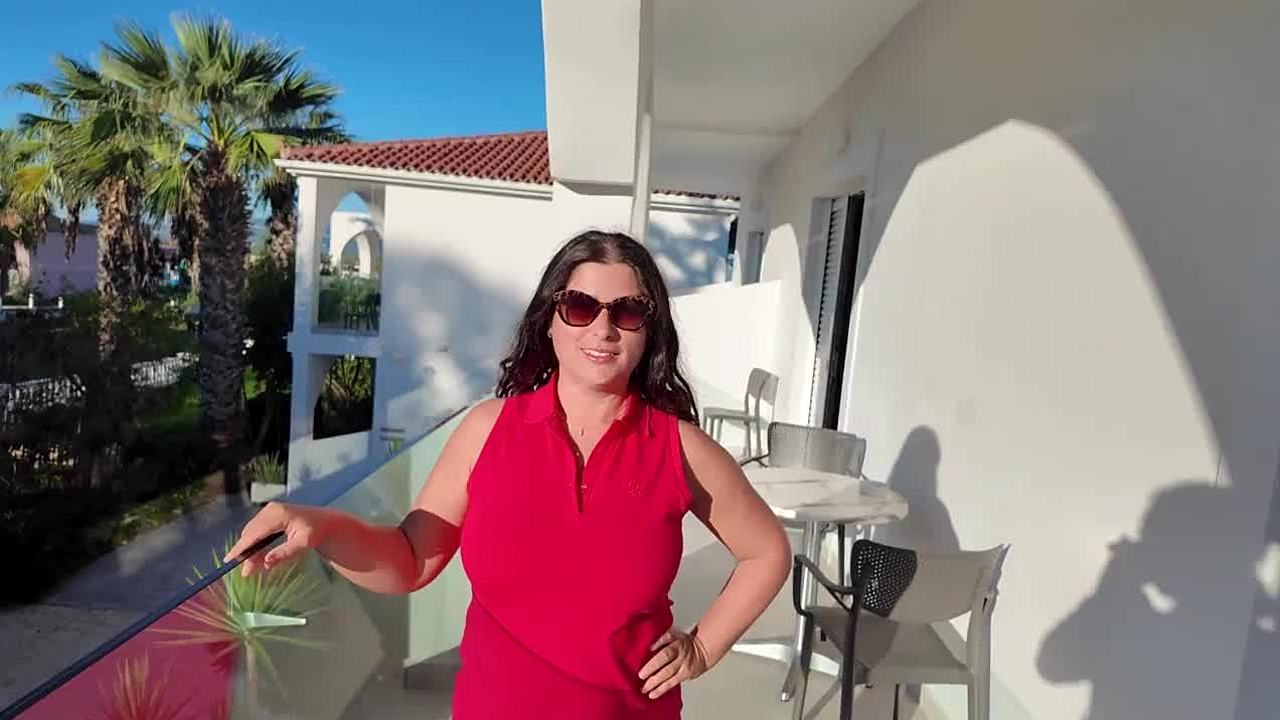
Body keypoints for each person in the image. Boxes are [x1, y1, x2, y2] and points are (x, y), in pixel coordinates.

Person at [225, 230, 792, 718]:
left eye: (627, 312)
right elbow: (412, 558)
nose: (603, 328)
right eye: (580, 306)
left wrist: (703, 648)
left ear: (649, 330)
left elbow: (767, 552)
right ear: (549, 321)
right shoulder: (488, 430)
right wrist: (323, 527)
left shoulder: (680, 448)